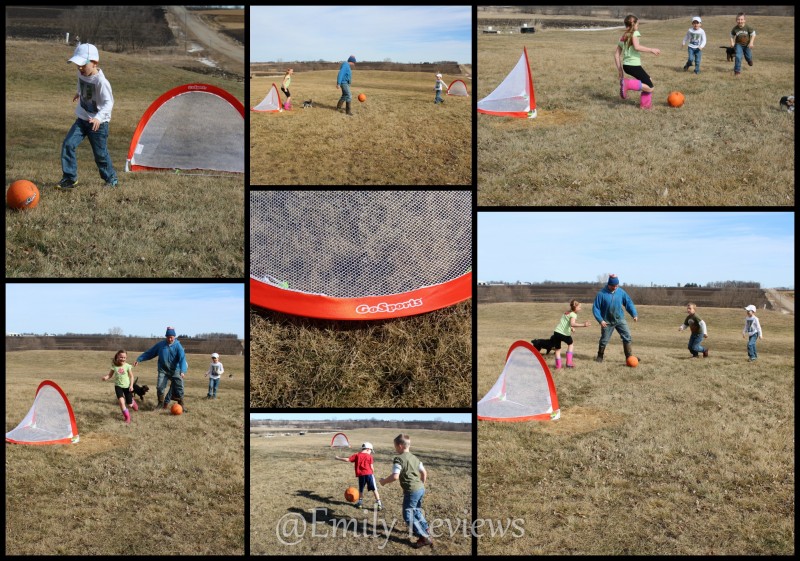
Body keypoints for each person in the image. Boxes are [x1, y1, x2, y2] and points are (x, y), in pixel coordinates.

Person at [57, 43, 118, 190]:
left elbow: (109, 103)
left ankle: (111, 179)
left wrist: (98, 118)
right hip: (82, 119)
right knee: (68, 144)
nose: (79, 68)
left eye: (82, 64)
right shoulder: (82, 73)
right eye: (77, 64)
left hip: (98, 124)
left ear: (94, 62)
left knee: (100, 155)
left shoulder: (101, 82)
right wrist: (79, 92)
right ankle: (70, 178)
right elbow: (81, 82)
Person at [379, 434, 433, 549]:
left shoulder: (399, 459)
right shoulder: (415, 458)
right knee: (417, 511)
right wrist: (421, 485)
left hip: (411, 490)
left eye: (395, 446)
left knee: (408, 515)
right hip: (420, 488)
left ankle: (424, 537)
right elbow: (424, 473)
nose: (395, 449)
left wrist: (384, 481)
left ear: (400, 446)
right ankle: (426, 528)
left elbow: (395, 476)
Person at [134, 327, 189, 412]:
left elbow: (182, 358)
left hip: (176, 370)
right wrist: (139, 359)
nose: (170, 339)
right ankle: (160, 403)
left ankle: (181, 404)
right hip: (163, 370)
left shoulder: (178, 346)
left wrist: (182, 371)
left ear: (174, 336)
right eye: (168, 337)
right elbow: (150, 353)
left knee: (180, 387)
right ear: (166, 336)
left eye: (171, 337)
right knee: (160, 387)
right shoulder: (161, 345)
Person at [615, 14, 661, 109]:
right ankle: (627, 84)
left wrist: (620, 70)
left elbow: (616, 55)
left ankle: (645, 105)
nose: (637, 26)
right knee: (650, 87)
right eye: (637, 24)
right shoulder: (635, 33)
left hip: (626, 66)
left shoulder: (622, 37)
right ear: (633, 24)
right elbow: (637, 47)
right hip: (633, 65)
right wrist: (651, 49)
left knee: (649, 80)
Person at [592, 274, 639, 363]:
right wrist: (600, 320)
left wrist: (634, 314)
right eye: (613, 285)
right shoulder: (601, 294)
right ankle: (600, 356)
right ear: (609, 284)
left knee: (627, 336)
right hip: (607, 321)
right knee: (604, 340)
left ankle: (629, 357)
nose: (615, 287)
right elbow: (596, 308)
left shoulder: (621, 292)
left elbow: (628, 303)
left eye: (617, 285)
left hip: (619, 319)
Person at [335, 442, 383, 511]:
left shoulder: (357, 455)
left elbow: (348, 459)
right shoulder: (369, 456)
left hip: (361, 475)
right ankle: (379, 504)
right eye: (370, 451)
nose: (370, 452)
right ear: (368, 449)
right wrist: (372, 472)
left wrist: (338, 458)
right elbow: (372, 468)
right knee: (374, 489)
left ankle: (360, 503)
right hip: (369, 474)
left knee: (361, 490)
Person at [552, 300, 591, 369]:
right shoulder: (573, 314)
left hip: (556, 332)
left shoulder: (566, 312)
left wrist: (571, 328)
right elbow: (572, 323)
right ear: (575, 307)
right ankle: (569, 363)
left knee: (557, 350)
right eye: (579, 307)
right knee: (571, 344)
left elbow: (566, 323)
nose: (580, 308)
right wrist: (584, 325)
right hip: (564, 334)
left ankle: (558, 367)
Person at [101, 350, 136, 424]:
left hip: (127, 387)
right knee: (121, 402)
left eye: (124, 357)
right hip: (118, 386)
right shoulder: (114, 366)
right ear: (117, 356)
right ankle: (127, 417)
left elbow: (131, 376)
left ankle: (132, 402)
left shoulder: (127, 366)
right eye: (121, 357)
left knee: (129, 404)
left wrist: (131, 385)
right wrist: (106, 377)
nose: (122, 359)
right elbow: (110, 375)